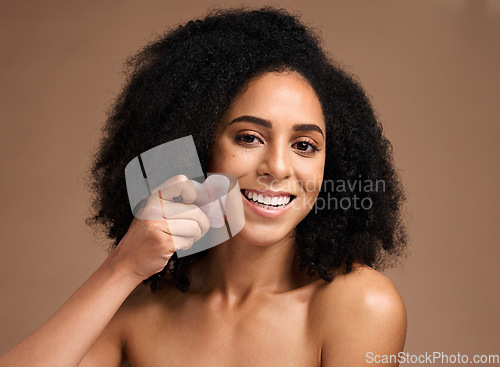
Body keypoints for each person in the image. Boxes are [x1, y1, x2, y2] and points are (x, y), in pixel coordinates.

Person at [0, 6, 408, 366]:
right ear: (196, 146)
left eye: (305, 145)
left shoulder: (359, 307)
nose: (279, 168)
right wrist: (121, 268)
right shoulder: (139, 309)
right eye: (249, 137)